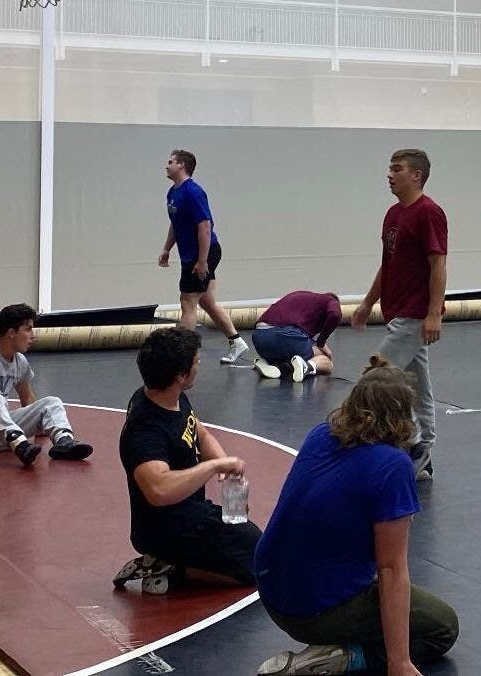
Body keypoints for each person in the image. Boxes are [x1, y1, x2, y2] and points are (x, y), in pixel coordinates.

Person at [254, 355, 459, 676]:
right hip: (311, 613)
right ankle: (341, 658)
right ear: (402, 416)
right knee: (442, 626)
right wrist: (399, 662)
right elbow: (391, 569)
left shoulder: (321, 435)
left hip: (270, 589)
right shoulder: (393, 466)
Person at [113, 327, 261, 595]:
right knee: (255, 568)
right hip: (165, 530)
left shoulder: (170, 395)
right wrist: (212, 467)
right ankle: (166, 567)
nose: (199, 364)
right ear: (181, 376)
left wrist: (224, 463)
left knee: (254, 543)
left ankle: (170, 563)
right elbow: (158, 489)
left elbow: (198, 432)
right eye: (196, 362)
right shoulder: (146, 430)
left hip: (189, 512)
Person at [351, 149, 447, 480]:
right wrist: (367, 303)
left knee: (373, 380)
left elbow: (438, 264)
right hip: (397, 311)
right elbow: (388, 264)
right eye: (389, 169)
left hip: (414, 314)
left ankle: (414, 445)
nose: (389, 175)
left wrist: (434, 313)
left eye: (397, 169)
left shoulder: (429, 213)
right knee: (417, 385)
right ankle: (423, 451)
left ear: (416, 176)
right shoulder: (393, 214)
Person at [0, 304, 93, 467]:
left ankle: (63, 442)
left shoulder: (20, 362)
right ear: (11, 333)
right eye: (27, 330)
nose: (32, 336)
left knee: (51, 402)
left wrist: (40, 421)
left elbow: (27, 397)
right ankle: (18, 443)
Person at [158, 148, 250, 365]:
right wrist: (166, 248)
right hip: (192, 254)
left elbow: (205, 227)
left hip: (202, 253)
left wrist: (202, 261)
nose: (166, 165)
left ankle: (183, 356)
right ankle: (236, 341)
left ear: (182, 165)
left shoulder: (193, 192)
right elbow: (176, 224)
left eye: (170, 162)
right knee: (207, 301)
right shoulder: (173, 192)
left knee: (187, 302)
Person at [250, 290, 341, 382]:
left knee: (291, 353)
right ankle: (307, 367)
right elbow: (335, 314)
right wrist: (321, 342)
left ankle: (271, 364)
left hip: (259, 339)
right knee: (326, 360)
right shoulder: (330, 300)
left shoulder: (303, 297)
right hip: (284, 335)